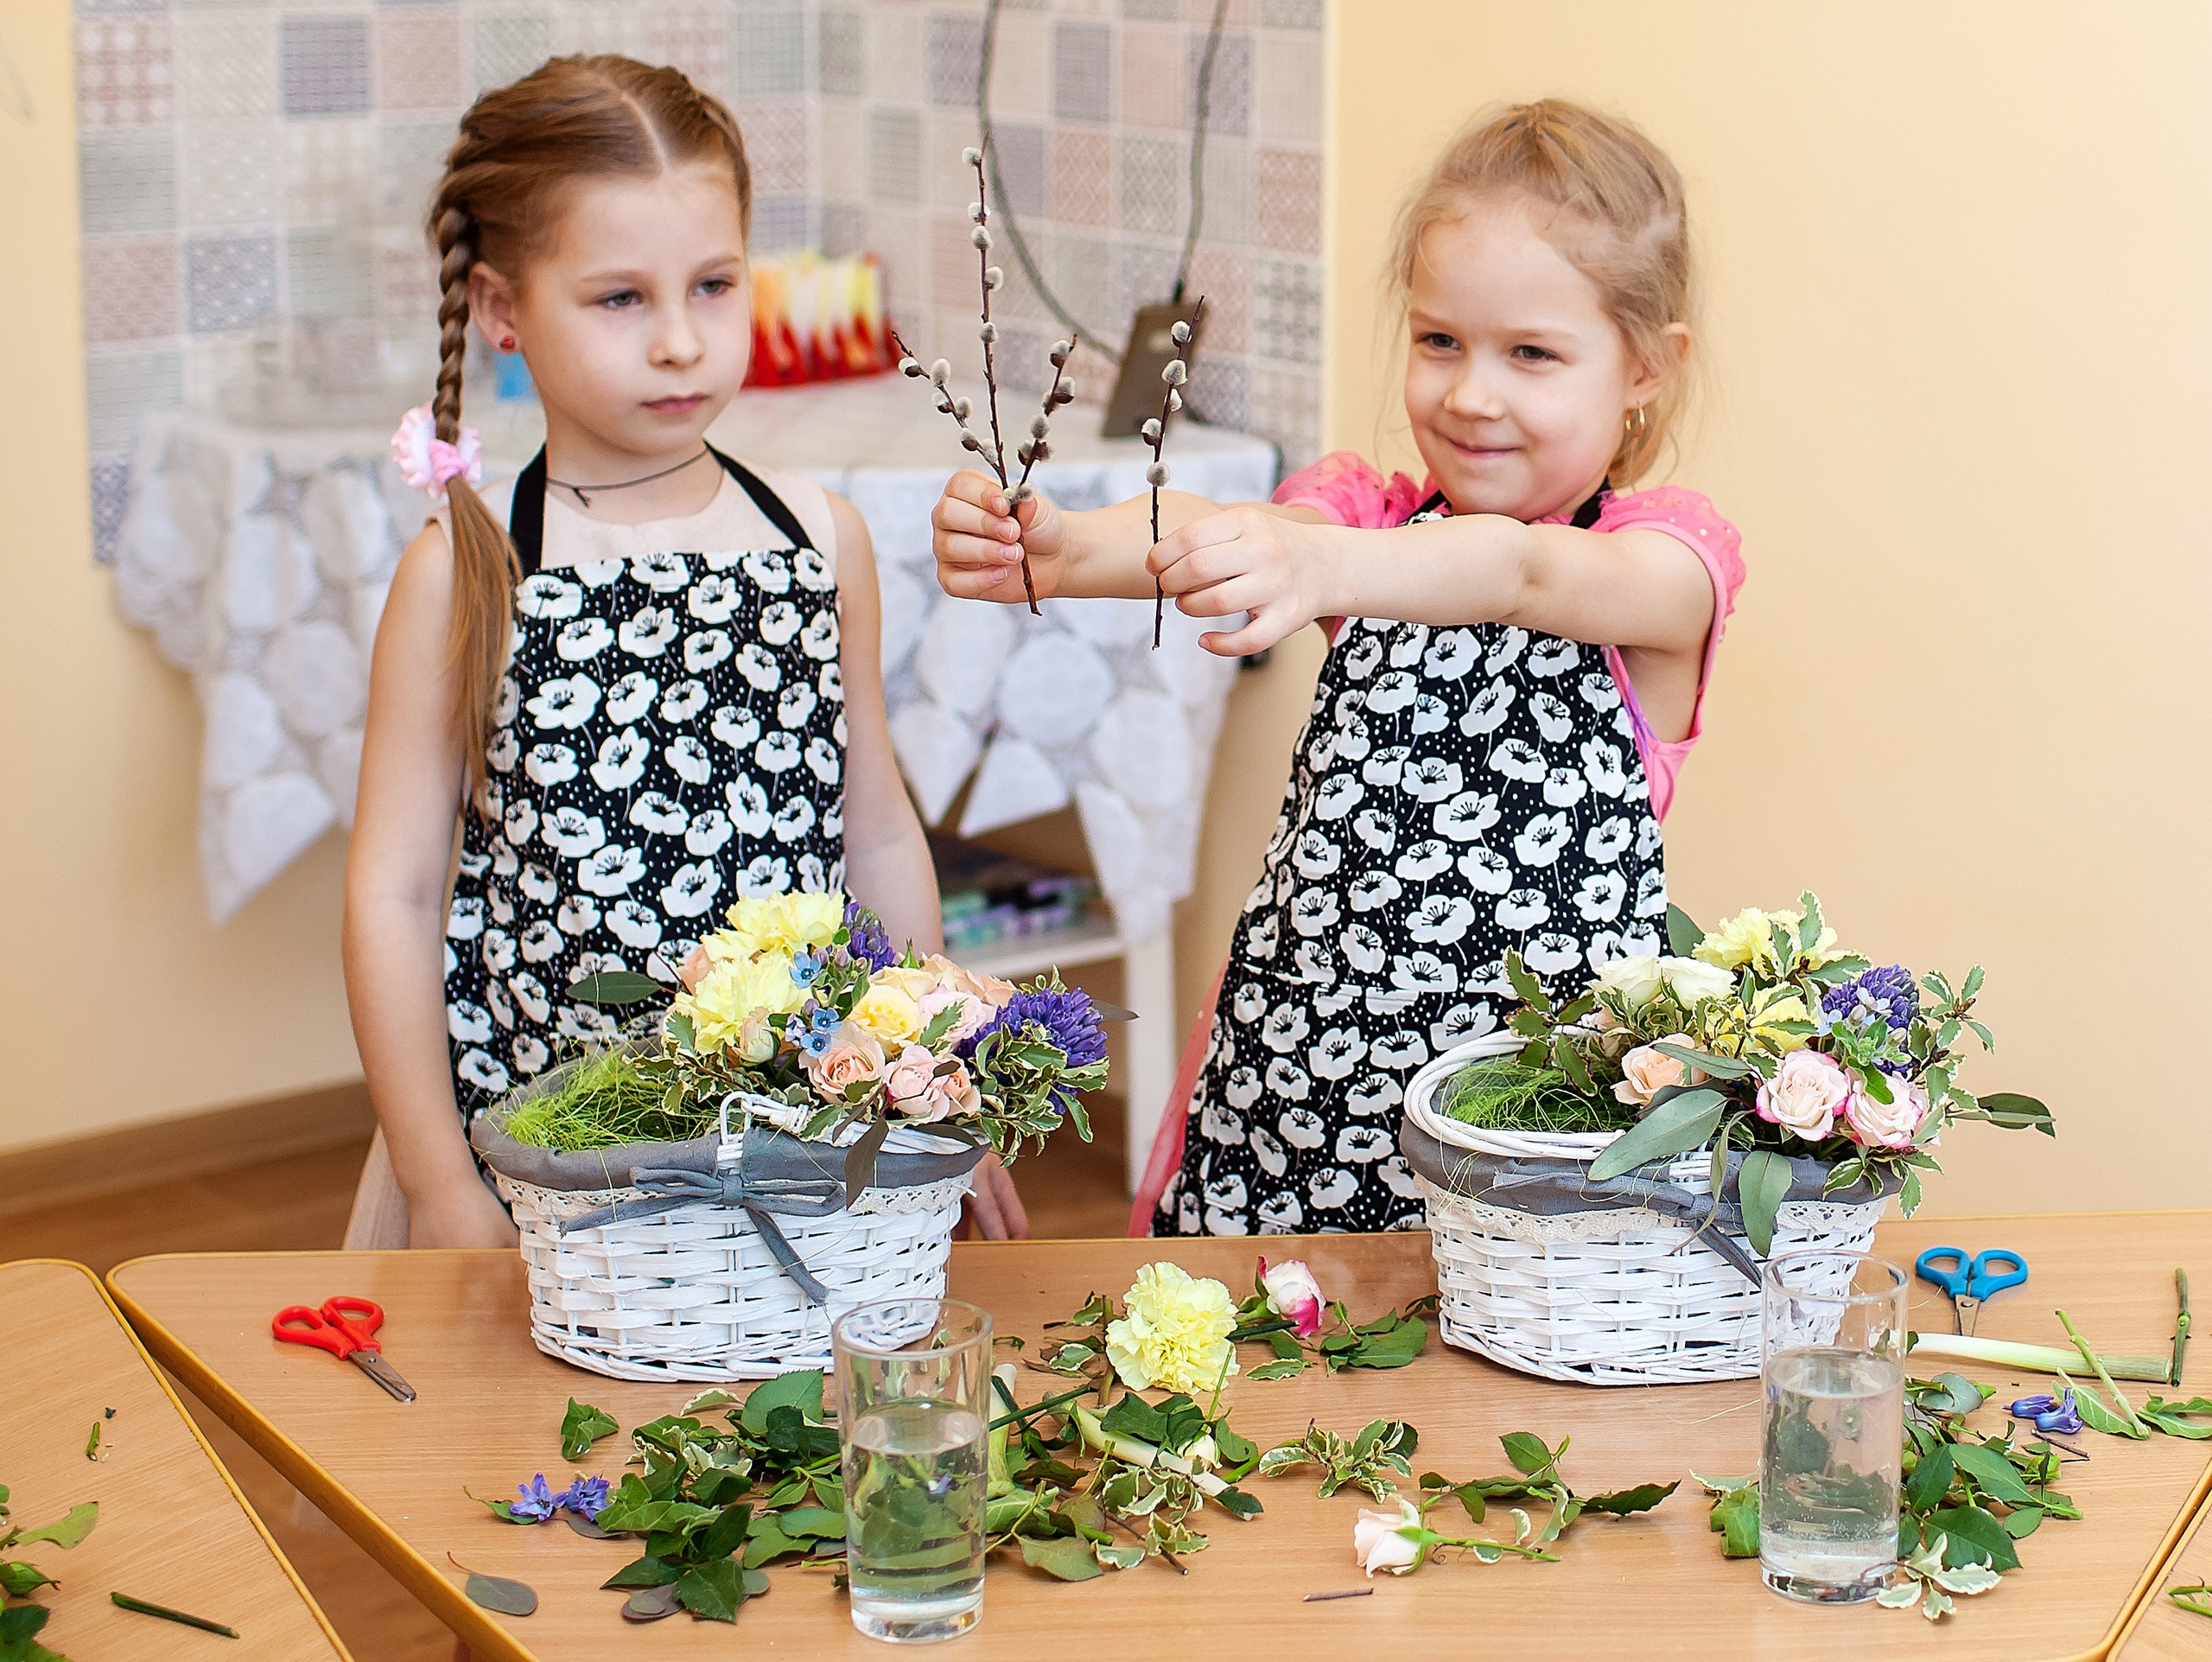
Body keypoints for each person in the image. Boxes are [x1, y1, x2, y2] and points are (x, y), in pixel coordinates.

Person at [931, 99, 1743, 1236]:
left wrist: (1326, 562)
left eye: (1532, 354)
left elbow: (1518, 573)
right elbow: (1228, 527)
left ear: (1648, 365)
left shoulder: (1658, 567)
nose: (1471, 393)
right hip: (1294, 1082)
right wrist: (1069, 551)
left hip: (1527, 1130)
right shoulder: (1365, 522)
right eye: (1439, 340)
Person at [345, 55, 1027, 1248]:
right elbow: (392, 896)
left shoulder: (819, 540)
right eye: (620, 299)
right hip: (538, 1152)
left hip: (803, 1136)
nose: (678, 341)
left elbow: (875, 830)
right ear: (503, 308)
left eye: (713, 285)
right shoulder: (468, 570)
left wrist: (936, 1091)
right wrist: (440, 1182)